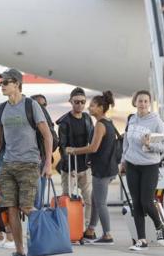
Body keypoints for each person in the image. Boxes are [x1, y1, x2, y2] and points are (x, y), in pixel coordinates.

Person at [0, 68, 54, 256]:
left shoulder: (31, 106)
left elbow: (47, 135)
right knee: (11, 208)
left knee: (27, 206)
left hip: (30, 164)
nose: (1, 86)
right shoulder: (1, 108)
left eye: (5, 83)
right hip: (8, 165)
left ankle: (43, 239)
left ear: (16, 84)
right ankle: (19, 250)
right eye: (0, 83)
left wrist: (48, 163)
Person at [66, 91, 118, 245]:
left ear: (101, 108)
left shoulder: (101, 125)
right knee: (95, 200)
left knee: (100, 202)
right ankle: (90, 231)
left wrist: (73, 150)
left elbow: (93, 148)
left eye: (93, 105)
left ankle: (108, 235)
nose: (89, 108)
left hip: (102, 169)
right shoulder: (108, 122)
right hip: (107, 167)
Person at [120, 90, 164, 251]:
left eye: (146, 101)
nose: (142, 104)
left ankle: (158, 225)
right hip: (132, 165)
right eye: (140, 101)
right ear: (135, 102)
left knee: (146, 202)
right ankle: (141, 240)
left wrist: (149, 145)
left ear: (150, 103)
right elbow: (126, 142)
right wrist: (123, 160)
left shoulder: (156, 122)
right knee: (136, 204)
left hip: (149, 166)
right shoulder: (132, 119)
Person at [57, 87, 95, 240]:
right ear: (70, 102)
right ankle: (68, 229)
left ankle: (86, 229)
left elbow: (92, 140)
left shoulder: (87, 118)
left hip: (85, 166)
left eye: (82, 102)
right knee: (67, 199)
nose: (79, 105)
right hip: (70, 167)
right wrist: (68, 167)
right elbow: (63, 147)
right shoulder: (64, 122)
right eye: (76, 102)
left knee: (89, 200)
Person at [30, 94, 51, 209]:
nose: (41, 108)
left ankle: (37, 225)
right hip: (29, 162)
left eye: (44, 105)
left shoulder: (46, 122)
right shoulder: (28, 120)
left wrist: (47, 160)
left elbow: (54, 140)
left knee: (38, 200)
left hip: (41, 162)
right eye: (38, 105)